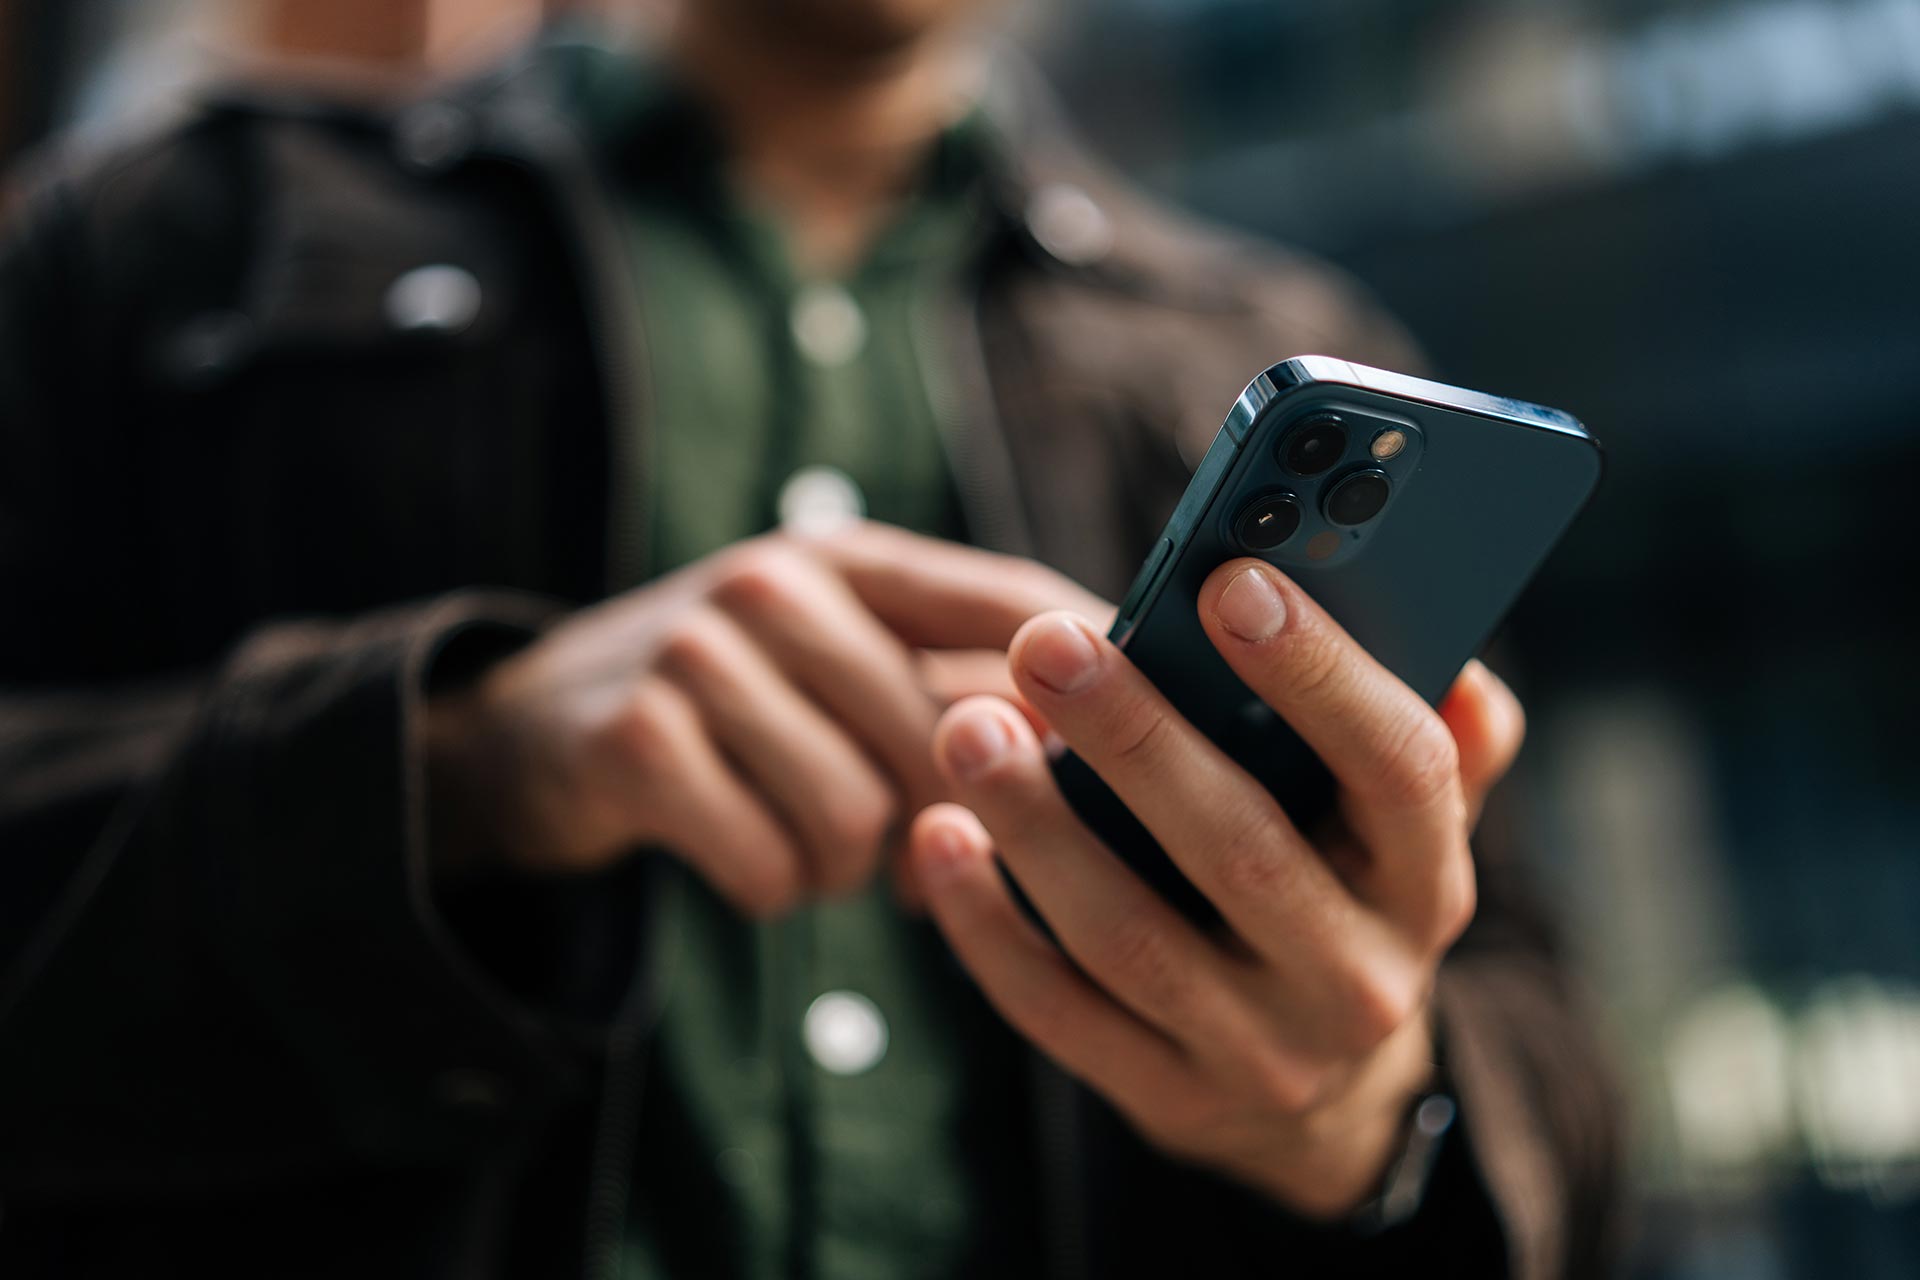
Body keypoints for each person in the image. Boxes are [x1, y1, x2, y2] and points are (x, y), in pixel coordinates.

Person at [0, 0, 1620, 1275]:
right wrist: (469, 763)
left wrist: (1361, 1118)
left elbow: (1567, 1089)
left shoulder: (1262, 348)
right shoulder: (156, 248)